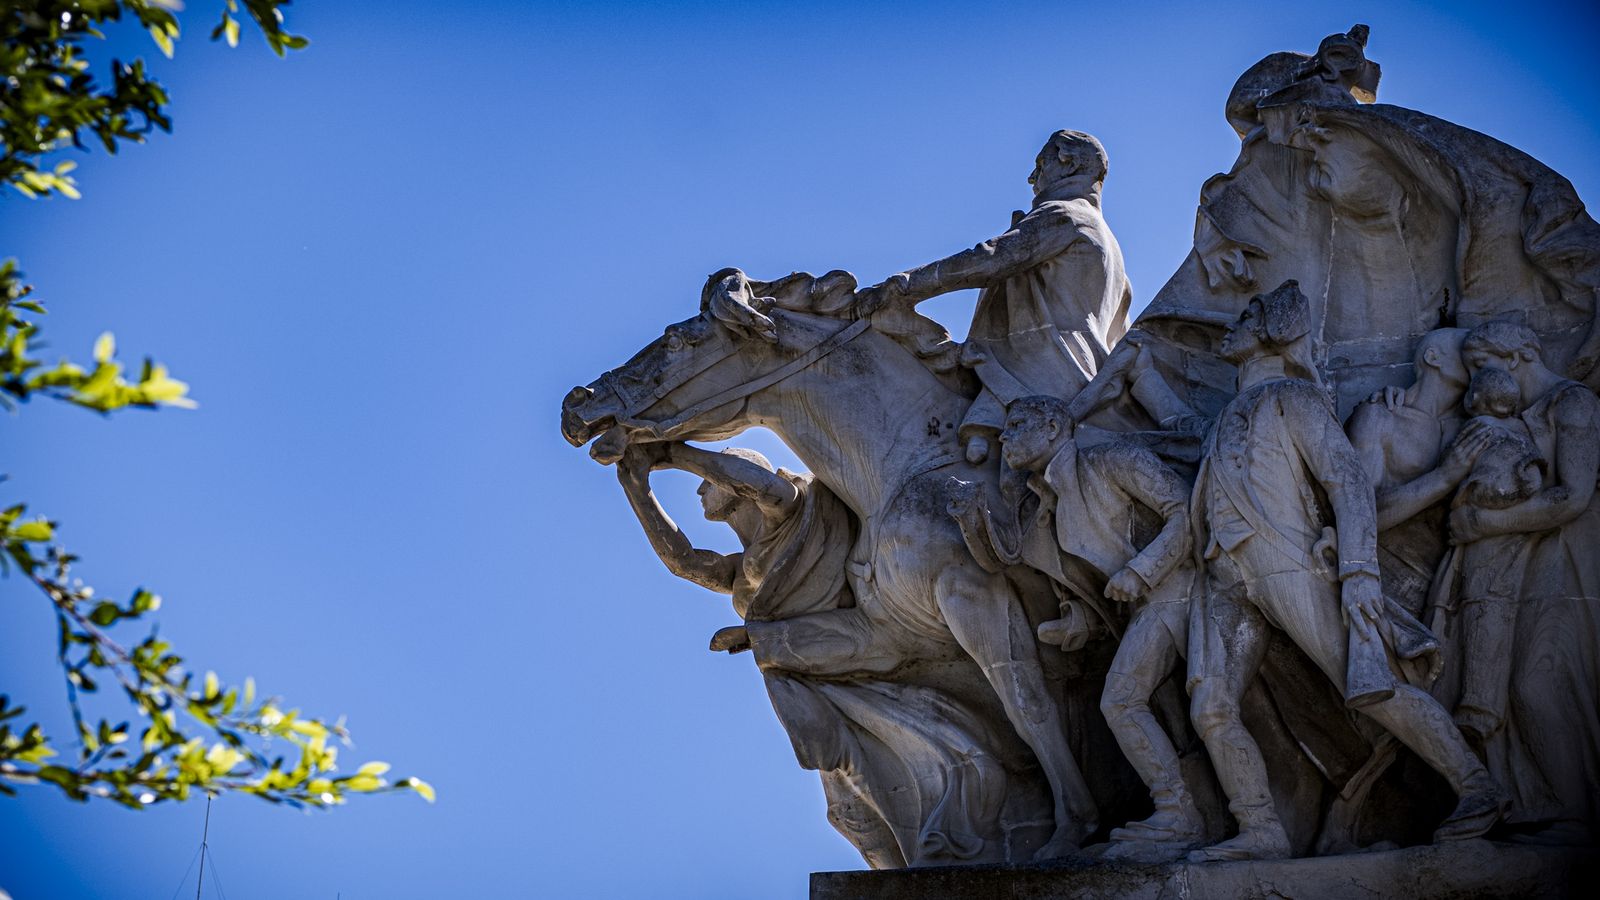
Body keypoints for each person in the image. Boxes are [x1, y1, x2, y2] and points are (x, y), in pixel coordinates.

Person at [1187, 280, 1503, 862]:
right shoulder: (1229, 413)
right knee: (1209, 705)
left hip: (1286, 561)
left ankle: (1476, 787)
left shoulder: (1292, 398)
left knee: (1370, 683)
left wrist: (1359, 574)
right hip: (1223, 574)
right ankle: (1259, 828)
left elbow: (1347, 481)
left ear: (1274, 334)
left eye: (1249, 315)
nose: (1234, 323)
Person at [997, 395, 1203, 860]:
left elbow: (1184, 507)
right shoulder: (1047, 502)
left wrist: (1143, 570)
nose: (1003, 437)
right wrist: (1079, 618)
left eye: (1015, 425)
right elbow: (1093, 576)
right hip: (1143, 610)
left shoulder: (1113, 458)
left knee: (1125, 699)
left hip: (1180, 591)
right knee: (1178, 715)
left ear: (1052, 427)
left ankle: (1181, 815)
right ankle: (1190, 813)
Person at [855, 130, 1132, 463]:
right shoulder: (1112, 249)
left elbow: (989, 259)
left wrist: (903, 285)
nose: (1033, 178)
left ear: (1067, 163)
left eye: (1040, 165)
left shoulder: (1065, 216)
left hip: (1040, 382)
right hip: (1075, 382)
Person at [1445, 320, 1600, 838]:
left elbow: (1571, 497)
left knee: (1540, 682)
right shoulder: (1519, 418)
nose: (1472, 380)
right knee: (1513, 685)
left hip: (1568, 557)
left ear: (1515, 358)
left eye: (1478, 365)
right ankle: (1536, 803)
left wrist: (1487, 523)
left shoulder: (1571, 403)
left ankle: (1574, 810)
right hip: (1524, 557)